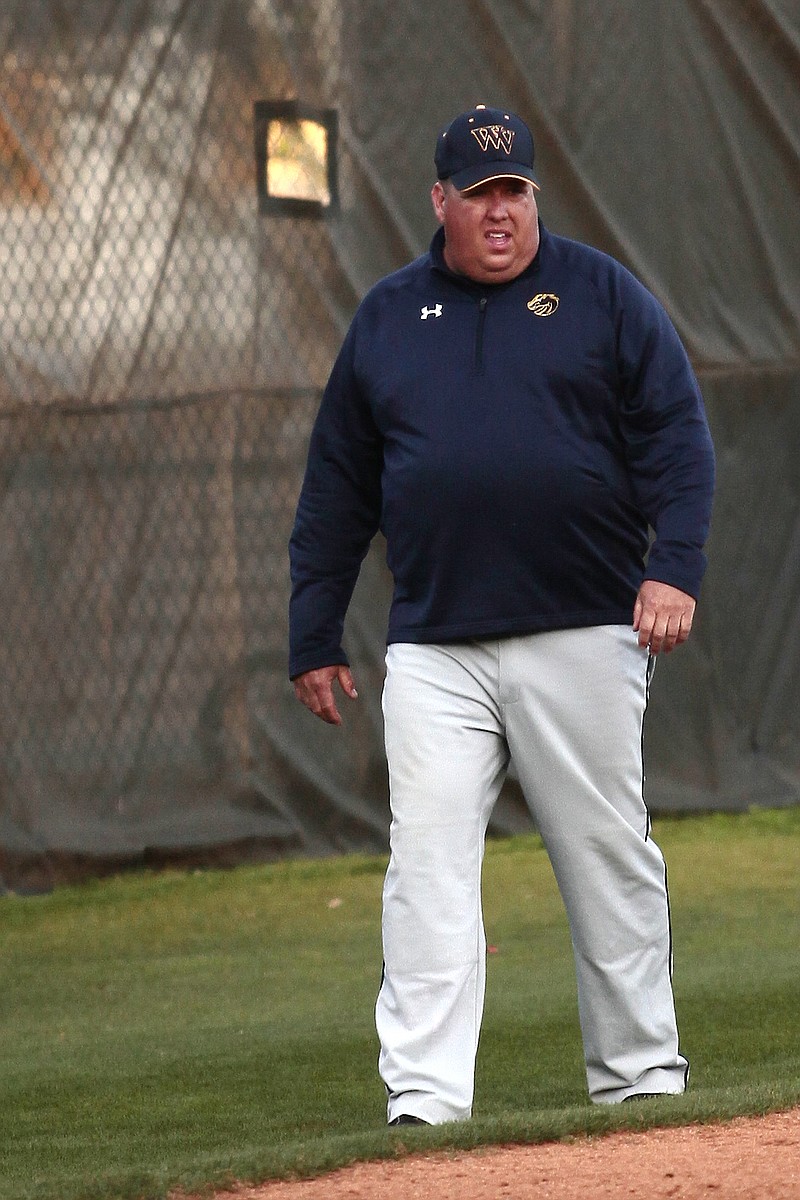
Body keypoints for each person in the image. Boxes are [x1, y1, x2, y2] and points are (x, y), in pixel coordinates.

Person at [288, 104, 715, 1125]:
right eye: (477, 192)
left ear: (532, 197)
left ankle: (639, 1080)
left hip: (580, 628)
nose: (497, 209)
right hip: (434, 645)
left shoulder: (600, 295)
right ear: (437, 200)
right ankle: (425, 1102)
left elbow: (677, 438)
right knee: (425, 869)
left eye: (512, 189)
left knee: (606, 857)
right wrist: (312, 631)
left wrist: (675, 569)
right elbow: (336, 485)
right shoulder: (388, 318)